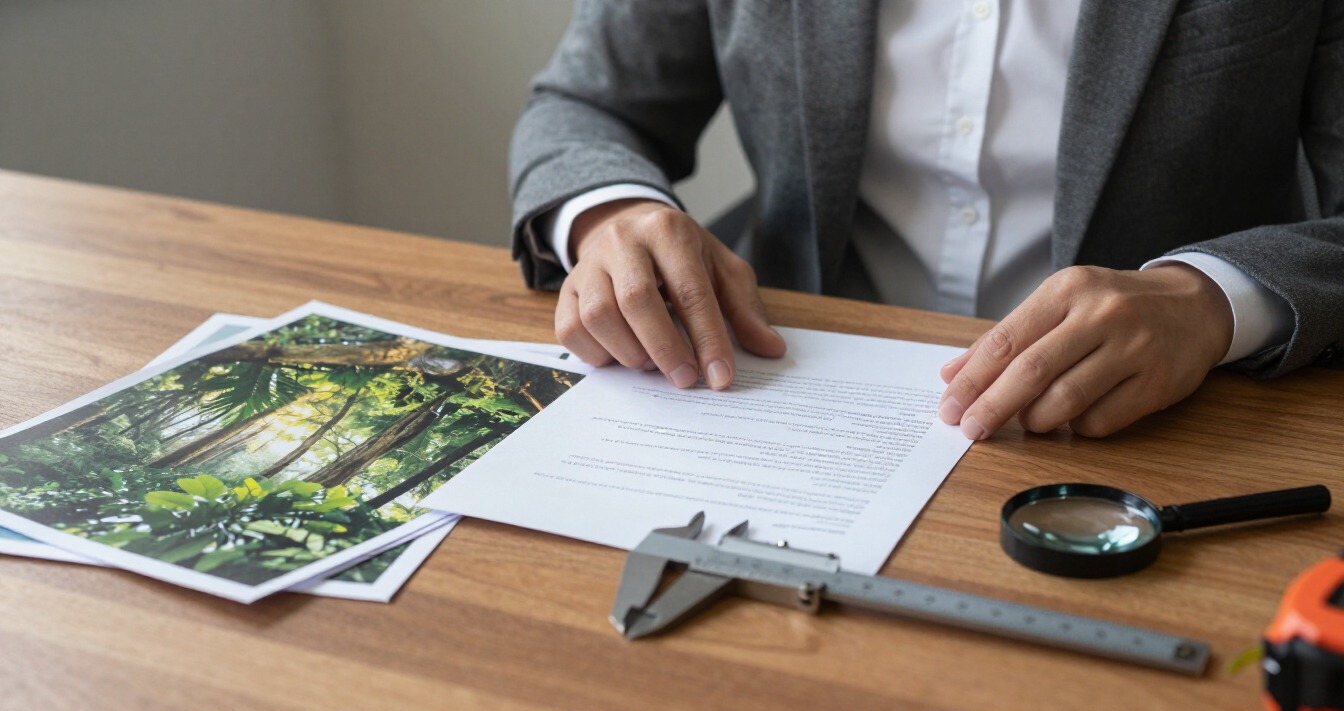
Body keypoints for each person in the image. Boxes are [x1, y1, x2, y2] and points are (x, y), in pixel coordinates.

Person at [508, 0, 1343, 440]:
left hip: (1160, 432)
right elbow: (586, 106)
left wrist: (1211, 301)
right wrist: (611, 211)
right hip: (777, 385)